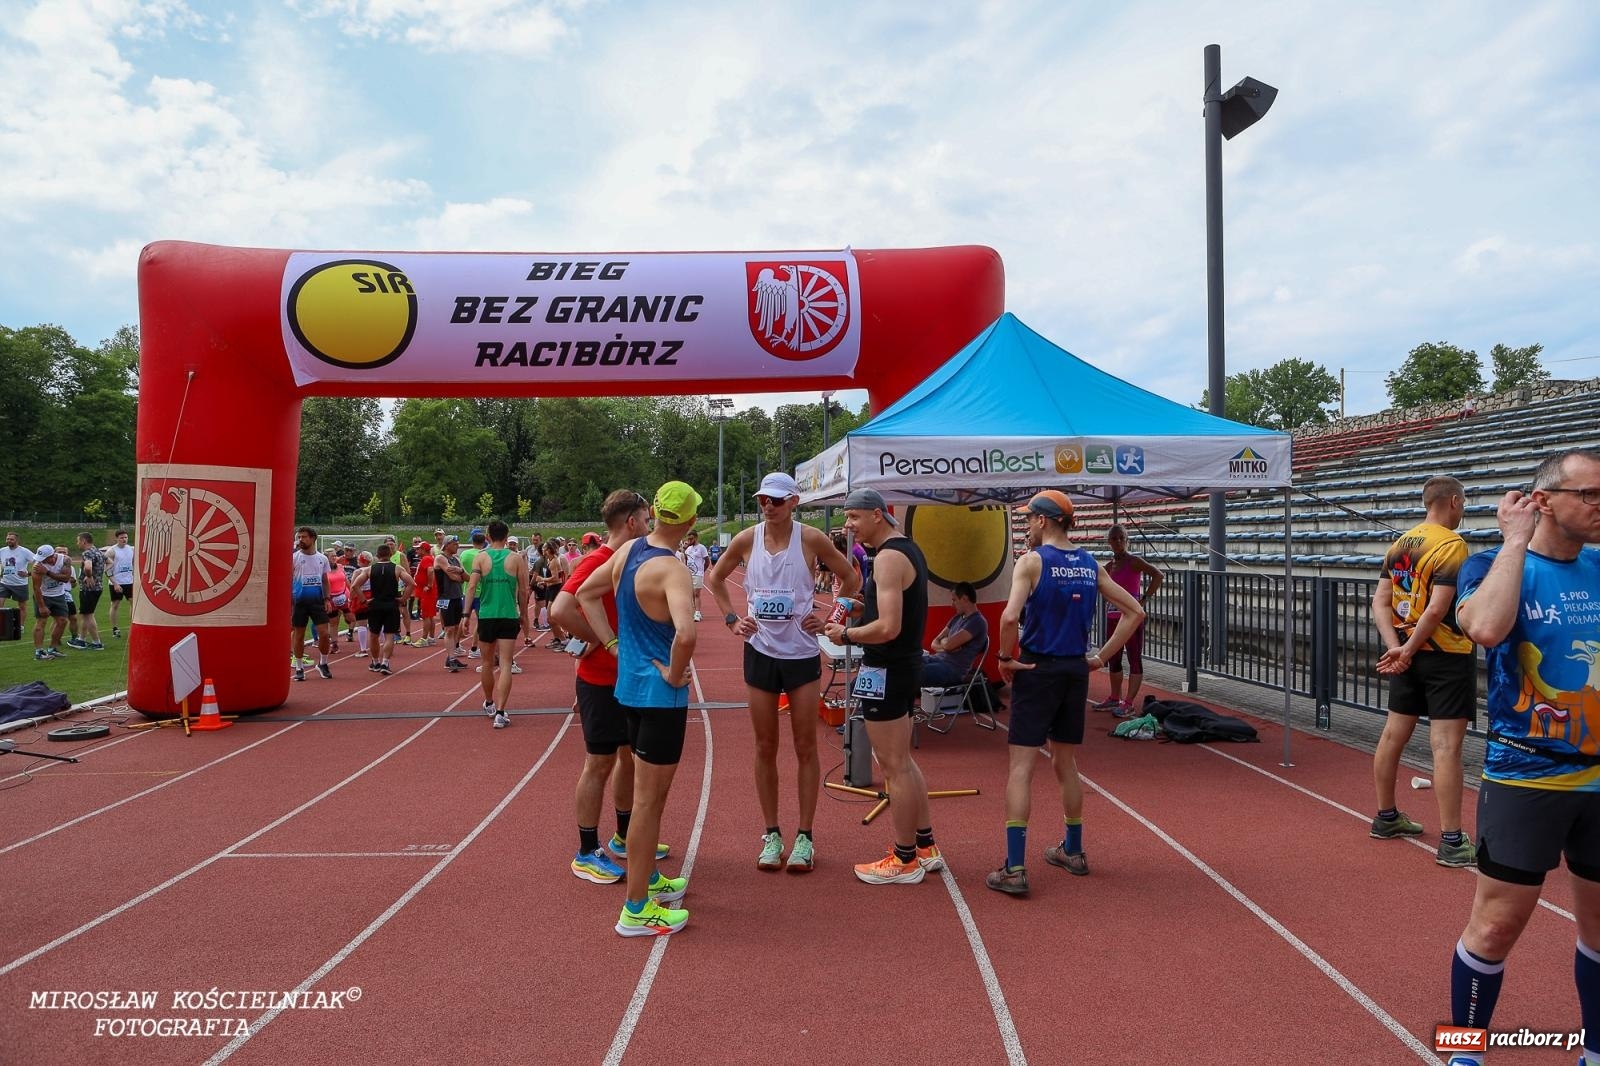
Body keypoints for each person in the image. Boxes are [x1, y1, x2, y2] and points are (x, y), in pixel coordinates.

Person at [1444, 448, 1600, 1066]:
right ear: (1544, 501)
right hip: (1528, 774)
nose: (1599, 507)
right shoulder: (1491, 563)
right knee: (1495, 927)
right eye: (1588, 495)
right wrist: (1514, 542)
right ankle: (1466, 1052)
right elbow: (1483, 628)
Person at [989, 491, 1144, 896]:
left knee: (1021, 767)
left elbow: (1008, 617)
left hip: (1038, 668)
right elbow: (1136, 612)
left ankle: (1015, 867)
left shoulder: (1032, 562)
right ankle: (1073, 851)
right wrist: (1099, 658)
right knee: (1066, 761)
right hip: (1075, 669)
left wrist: (1006, 658)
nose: (1026, 525)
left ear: (1043, 521)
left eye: (1028, 519)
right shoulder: (1090, 563)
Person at [710, 472, 860, 873]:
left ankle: (805, 836)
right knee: (764, 746)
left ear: (794, 501)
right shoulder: (747, 539)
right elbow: (715, 577)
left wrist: (831, 616)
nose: (768, 506)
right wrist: (731, 619)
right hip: (760, 653)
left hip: (800, 654)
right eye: (763, 500)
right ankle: (772, 833)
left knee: (806, 745)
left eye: (776, 500)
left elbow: (852, 576)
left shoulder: (810, 539)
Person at [578, 482, 699, 937]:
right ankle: (635, 909)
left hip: (628, 689)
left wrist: (612, 643)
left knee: (650, 800)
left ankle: (647, 877)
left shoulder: (628, 551)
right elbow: (686, 635)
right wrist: (672, 672)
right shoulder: (673, 570)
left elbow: (587, 594)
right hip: (660, 697)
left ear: (654, 512)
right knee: (650, 803)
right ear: (687, 523)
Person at [822, 488, 943, 886]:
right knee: (903, 763)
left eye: (853, 517)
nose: (847, 525)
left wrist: (847, 634)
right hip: (899, 667)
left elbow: (889, 628)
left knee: (893, 766)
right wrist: (863, 608)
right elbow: (893, 613)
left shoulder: (889, 558)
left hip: (888, 669)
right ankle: (924, 847)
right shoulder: (906, 549)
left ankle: (905, 858)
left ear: (877, 515)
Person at [553, 489, 670, 886]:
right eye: (646, 518)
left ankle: (624, 835)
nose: (651, 525)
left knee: (628, 758)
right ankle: (586, 851)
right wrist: (602, 642)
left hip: (624, 679)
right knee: (599, 762)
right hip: (601, 679)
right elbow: (561, 609)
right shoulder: (598, 559)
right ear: (632, 523)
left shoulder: (629, 558)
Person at [1369, 475, 1477, 867]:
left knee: (1393, 734)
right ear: (1452, 501)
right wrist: (1410, 648)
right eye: (1462, 504)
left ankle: (1386, 817)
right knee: (1446, 746)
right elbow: (1437, 609)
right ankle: (1452, 840)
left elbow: (1380, 601)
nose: (1462, 511)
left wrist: (1396, 648)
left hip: (1405, 653)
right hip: (1444, 653)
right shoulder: (1452, 546)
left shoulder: (1400, 543)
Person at [1090, 525, 1163, 716]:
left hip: (1131, 620)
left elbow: (1158, 575)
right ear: (1109, 542)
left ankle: (1129, 702)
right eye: (1114, 539)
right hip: (1112, 617)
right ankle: (1115, 697)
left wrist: (1144, 599)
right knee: (1113, 659)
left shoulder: (1134, 561)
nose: (1118, 542)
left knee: (1133, 658)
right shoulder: (1109, 566)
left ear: (1127, 540)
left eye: (1122, 538)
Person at [465, 520, 530, 729]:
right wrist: (522, 613)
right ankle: (500, 712)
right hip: (508, 615)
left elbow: (472, 586)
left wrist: (465, 615)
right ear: (507, 535)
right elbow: (523, 590)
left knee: (486, 663)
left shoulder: (481, 557)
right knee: (505, 663)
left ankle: (490, 703)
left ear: (488, 536)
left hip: (487, 615)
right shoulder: (517, 558)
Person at [350, 543, 415, 676]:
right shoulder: (397, 568)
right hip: (391, 604)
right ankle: (385, 662)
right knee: (389, 636)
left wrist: (363, 600)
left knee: (374, 635)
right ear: (390, 555)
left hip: (375, 605)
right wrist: (403, 599)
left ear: (377, 556)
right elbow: (412, 583)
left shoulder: (369, 570)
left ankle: (375, 662)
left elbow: (355, 585)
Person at [922, 580, 988, 688]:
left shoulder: (977, 622)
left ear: (965, 599)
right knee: (906, 663)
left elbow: (948, 645)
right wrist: (946, 643)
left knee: (912, 673)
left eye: (954, 600)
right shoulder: (956, 618)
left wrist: (946, 642)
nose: (952, 605)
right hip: (937, 659)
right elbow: (934, 643)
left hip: (952, 669)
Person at [289, 526, 335, 681]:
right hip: (299, 602)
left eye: (304, 537)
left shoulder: (322, 559)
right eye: (299, 537)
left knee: (325, 633)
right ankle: (299, 667)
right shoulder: (294, 558)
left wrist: (327, 599)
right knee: (299, 635)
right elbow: (287, 580)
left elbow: (324, 580)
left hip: (317, 602)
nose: (301, 540)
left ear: (313, 538)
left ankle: (323, 663)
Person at [30, 545, 76, 660]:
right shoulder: (37, 566)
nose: (42, 561)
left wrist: (47, 572)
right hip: (43, 595)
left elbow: (66, 578)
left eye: (45, 558)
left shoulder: (65, 560)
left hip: (59, 594)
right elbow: (36, 588)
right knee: (41, 622)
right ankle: (39, 652)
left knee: (62, 621)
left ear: (52, 556)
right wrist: (41, 606)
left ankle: (52, 648)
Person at [433, 536, 469, 671]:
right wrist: (459, 574)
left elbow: (466, 577)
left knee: (455, 627)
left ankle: (451, 657)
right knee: (448, 629)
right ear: (447, 545)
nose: (457, 546)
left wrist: (459, 571)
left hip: (457, 596)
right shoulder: (440, 558)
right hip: (445, 597)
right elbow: (452, 576)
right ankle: (451, 658)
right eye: (455, 544)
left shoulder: (456, 559)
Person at [75, 532, 107, 649]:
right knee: (86, 614)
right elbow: (110, 562)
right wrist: (99, 575)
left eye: (78, 541)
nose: (77, 543)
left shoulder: (87, 553)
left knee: (88, 615)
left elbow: (88, 567)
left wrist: (89, 576)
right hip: (98, 587)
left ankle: (96, 642)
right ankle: (81, 639)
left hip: (88, 589)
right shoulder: (98, 551)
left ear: (84, 541)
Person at [106, 528, 135, 638]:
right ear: (116, 538)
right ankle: (115, 629)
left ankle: (133, 626)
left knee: (132, 602)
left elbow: (134, 564)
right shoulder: (112, 551)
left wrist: (134, 578)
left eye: (126, 537)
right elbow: (107, 570)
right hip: (116, 582)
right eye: (122, 537)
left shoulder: (132, 549)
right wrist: (115, 583)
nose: (124, 539)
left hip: (129, 581)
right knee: (115, 604)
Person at [2, 533, 35, 624]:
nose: (9, 541)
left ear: (17, 540)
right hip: (4, 583)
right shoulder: (2, 551)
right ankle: (2, 626)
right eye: (7, 539)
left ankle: (20, 626)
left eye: (11, 539)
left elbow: (38, 563)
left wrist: (29, 573)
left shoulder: (24, 551)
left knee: (22, 606)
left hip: (20, 584)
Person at [679, 529, 710, 622]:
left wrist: (702, 570)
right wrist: (684, 549)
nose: (689, 541)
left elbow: (707, 561)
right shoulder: (688, 548)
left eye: (691, 539)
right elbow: (684, 559)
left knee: (696, 593)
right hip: (689, 573)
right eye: (688, 539)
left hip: (698, 573)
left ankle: (697, 612)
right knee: (691, 593)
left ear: (696, 538)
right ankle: (693, 611)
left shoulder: (701, 548)